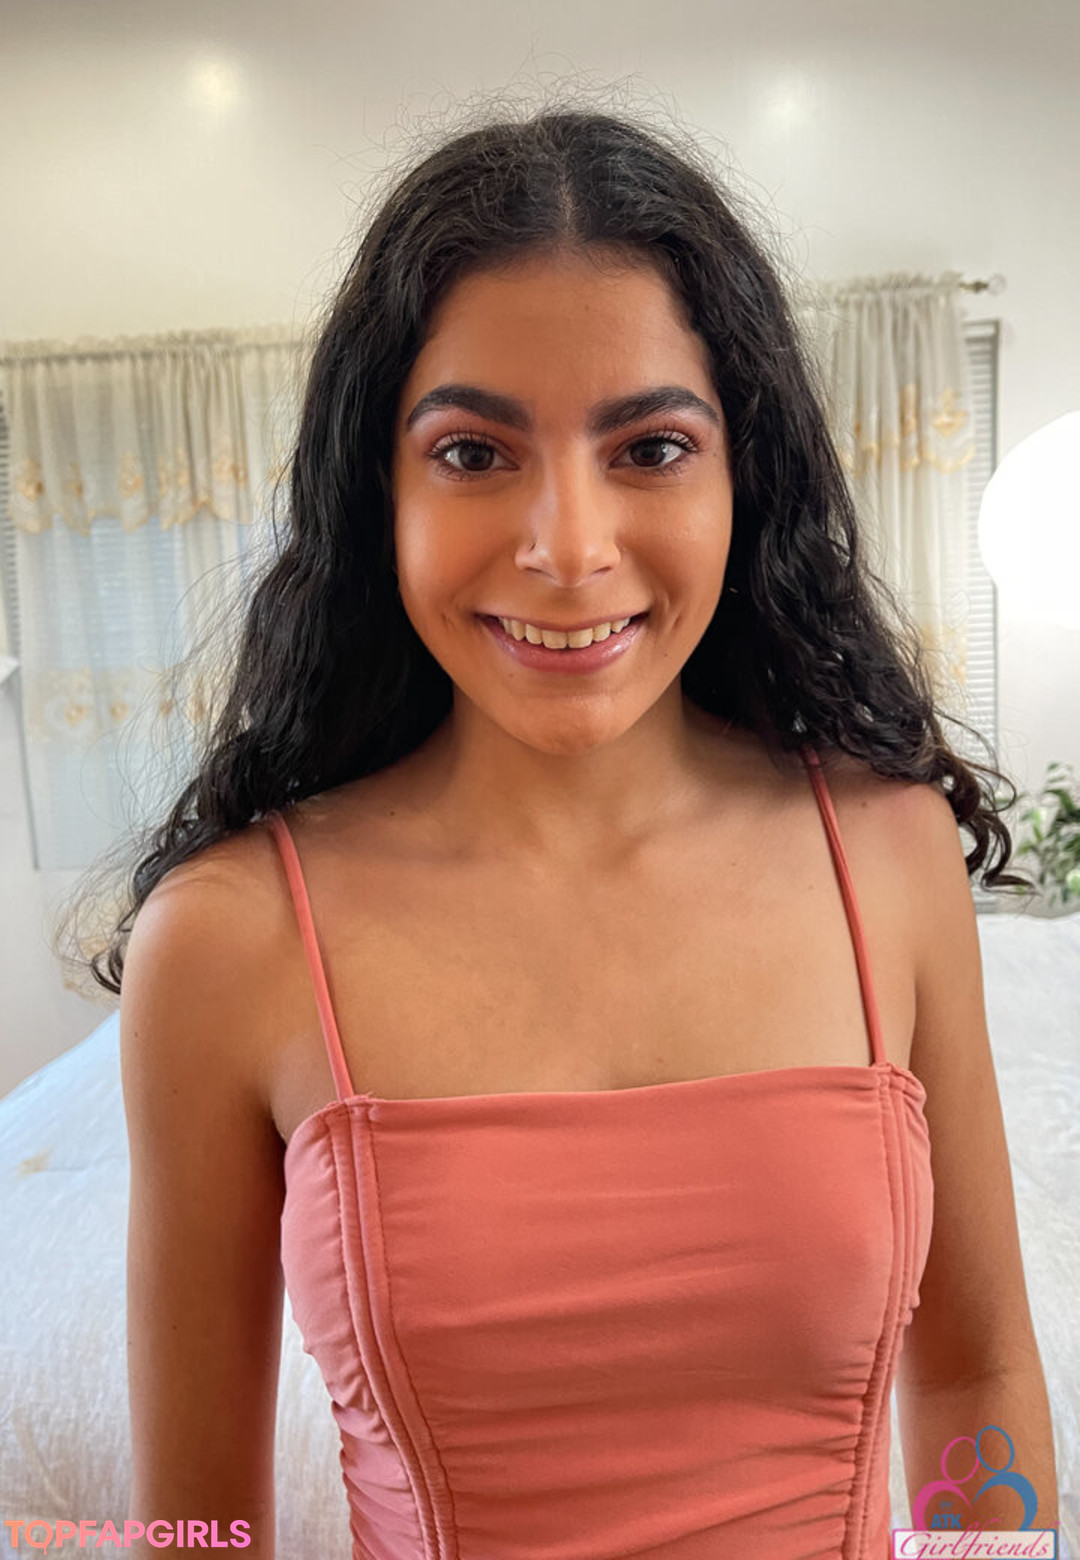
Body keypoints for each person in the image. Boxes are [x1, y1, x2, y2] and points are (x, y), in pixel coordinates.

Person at [92, 102, 1057, 1557]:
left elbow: (974, 1372)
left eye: (650, 447)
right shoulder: (227, 941)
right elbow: (197, 1533)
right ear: (377, 493)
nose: (569, 547)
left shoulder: (887, 850)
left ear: (744, 478)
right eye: (475, 453)